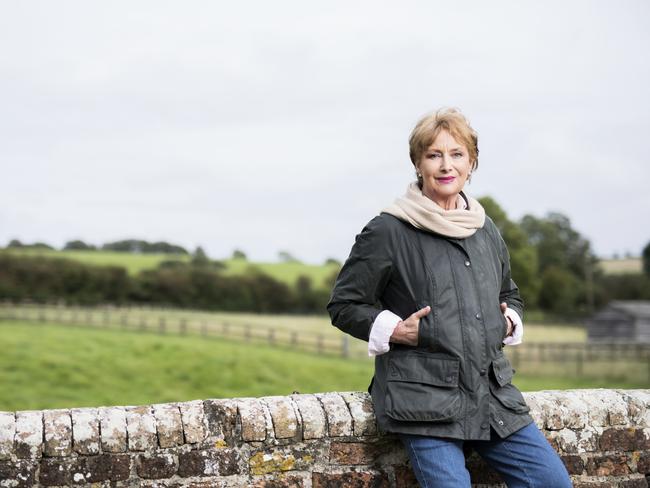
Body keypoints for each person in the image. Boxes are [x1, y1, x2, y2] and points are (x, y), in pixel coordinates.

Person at [327, 108, 572, 488]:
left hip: (492, 397)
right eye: (434, 155)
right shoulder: (388, 229)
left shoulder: (485, 229)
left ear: (471, 163)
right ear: (418, 163)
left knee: (553, 483)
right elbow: (344, 305)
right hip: (423, 400)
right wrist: (396, 330)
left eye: (456, 154)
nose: (446, 165)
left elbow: (509, 292)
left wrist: (509, 319)